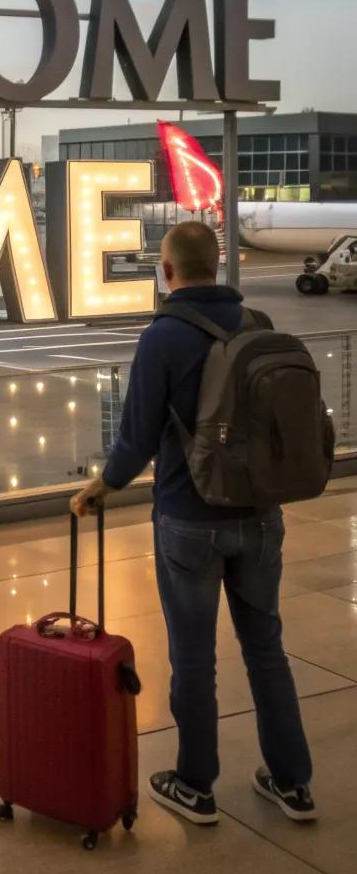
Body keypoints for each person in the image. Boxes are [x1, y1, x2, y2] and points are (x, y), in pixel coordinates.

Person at [71, 220, 316, 827]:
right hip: (260, 515)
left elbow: (136, 438)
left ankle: (196, 785)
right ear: (218, 264)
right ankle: (293, 784)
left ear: (167, 270)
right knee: (266, 648)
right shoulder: (257, 323)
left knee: (194, 657)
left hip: (189, 519)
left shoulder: (163, 337)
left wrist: (103, 486)